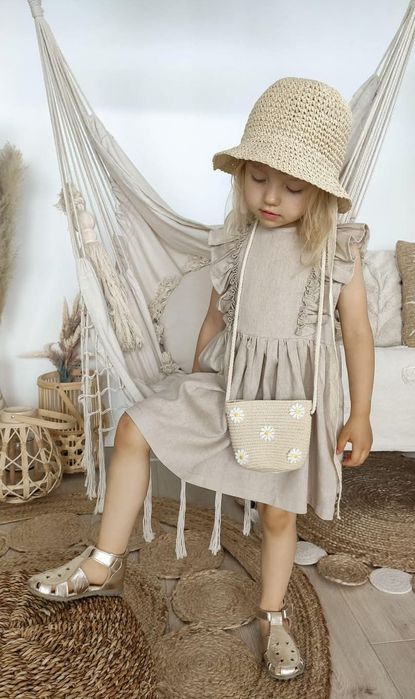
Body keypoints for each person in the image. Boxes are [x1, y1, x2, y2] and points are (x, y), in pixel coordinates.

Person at [27, 77, 374, 681]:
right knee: (134, 427)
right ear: (241, 174)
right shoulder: (235, 244)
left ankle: (273, 617)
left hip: (290, 407)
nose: (271, 196)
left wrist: (360, 413)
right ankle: (105, 561)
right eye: (257, 177)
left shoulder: (336, 253)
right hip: (229, 387)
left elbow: (358, 335)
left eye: (293, 187)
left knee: (277, 517)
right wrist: (189, 389)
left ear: (319, 192)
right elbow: (216, 320)